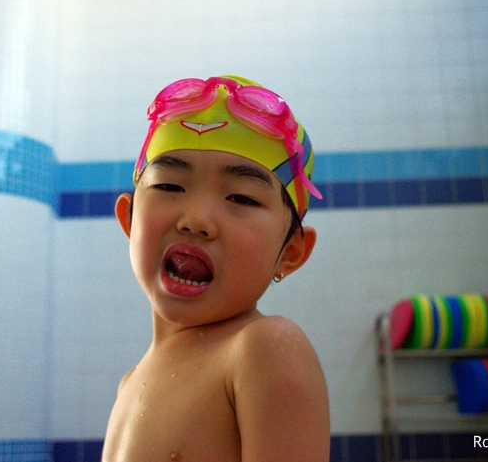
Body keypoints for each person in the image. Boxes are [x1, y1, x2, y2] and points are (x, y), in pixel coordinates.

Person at [103, 76, 330, 462]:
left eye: (241, 198)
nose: (196, 219)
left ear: (290, 253)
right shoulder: (129, 384)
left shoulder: (263, 350)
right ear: (129, 219)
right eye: (170, 186)